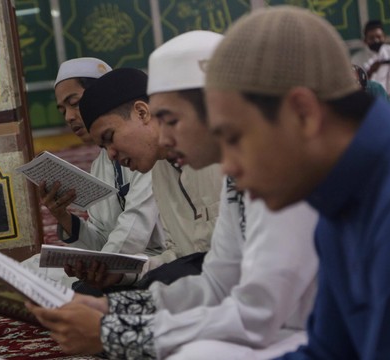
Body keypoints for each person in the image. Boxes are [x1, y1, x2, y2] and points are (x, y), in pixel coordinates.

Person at [26, 30, 319, 359]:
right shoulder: (234, 168)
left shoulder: (285, 166)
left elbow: (257, 312)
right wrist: (110, 305)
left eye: (171, 119)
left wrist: (116, 332)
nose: (163, 137)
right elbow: (216, 281)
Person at [205, 6, 390, 359]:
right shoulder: (341, 202)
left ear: (303, 113)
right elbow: (330, 351)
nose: (227, 166)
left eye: (235, 138)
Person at [22, 58, 165, 292]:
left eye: (75, 103)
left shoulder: (150, 153)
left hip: (155, 261)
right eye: (63, 110)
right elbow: (103, 238)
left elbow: (135, 227)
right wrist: (64, 217)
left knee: (82, 290)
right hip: (122, 262)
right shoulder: (101, 164)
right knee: (30, 269)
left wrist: (100, 270)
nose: (69, 117)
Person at [74, 67, 223, 289]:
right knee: (87, 291)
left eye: (110, 137)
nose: (111, 154)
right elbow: (178, 255)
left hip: (240, 281)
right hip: (202, 281)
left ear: (142, 113)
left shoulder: (220, 156)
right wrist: (121, 275)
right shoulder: (160, 170)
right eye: (103, 146)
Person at [351, 20, 390, 110]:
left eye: (379, 37)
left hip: (386, 95)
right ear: (365, 41)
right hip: (369, 97)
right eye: (371, 38)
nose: (376, 40)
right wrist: (370, 72)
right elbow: (359, 88)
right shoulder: (356, 59)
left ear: (384, 37)